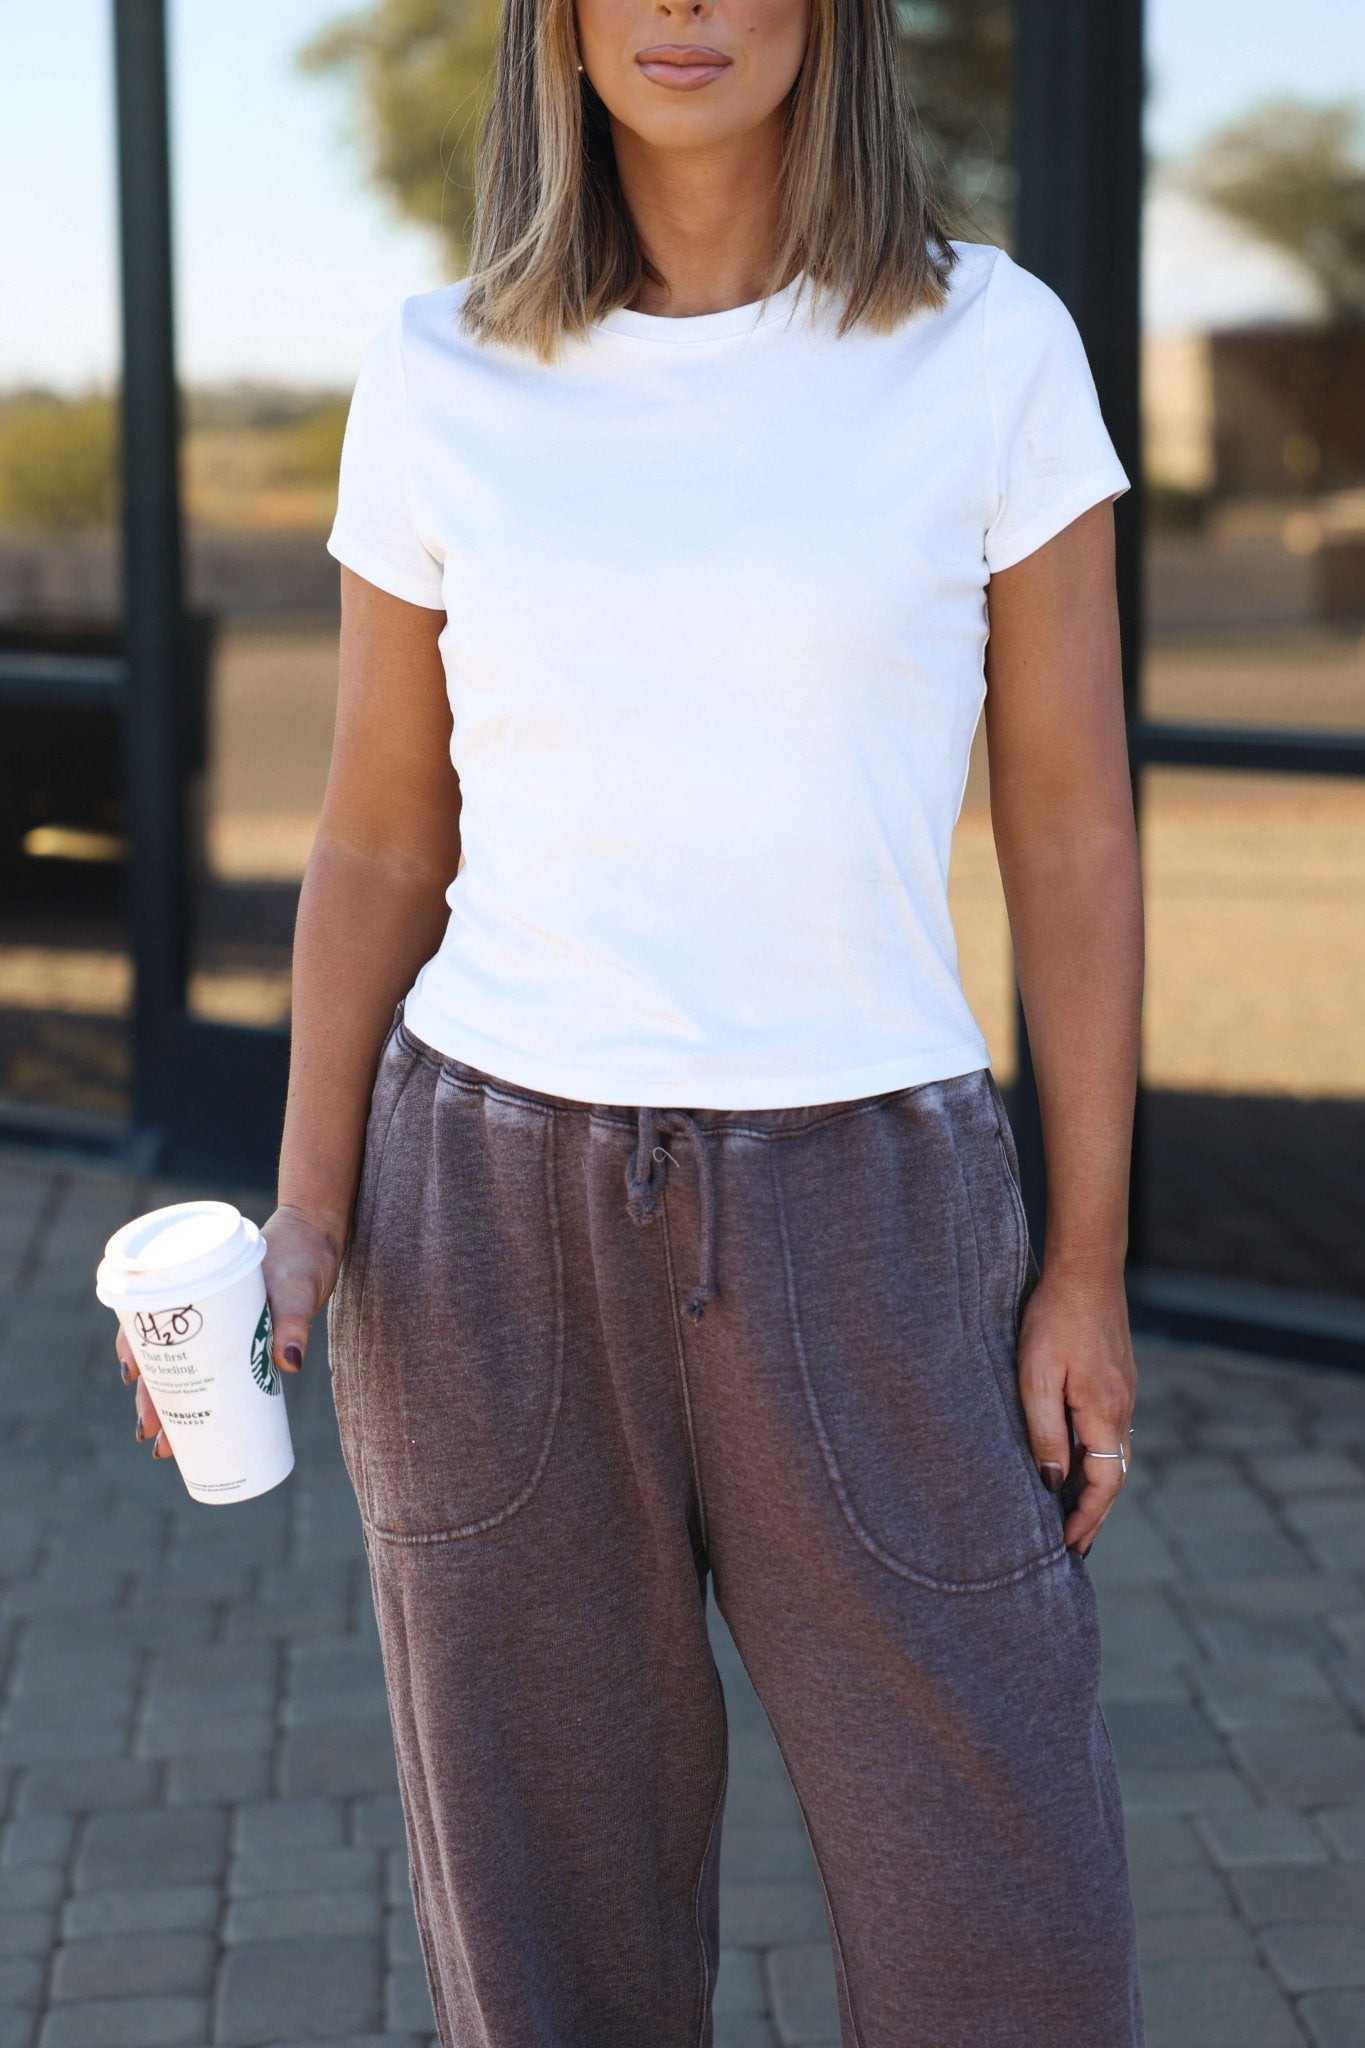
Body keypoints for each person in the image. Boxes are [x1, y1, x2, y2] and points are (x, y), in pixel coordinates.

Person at [119, 1, 1145, 2041]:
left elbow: (1072, 834)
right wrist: (304, 1213)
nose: (684, 6)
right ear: (561, 26)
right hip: (482, 1212)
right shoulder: (434, 372)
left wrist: (1088, 1268)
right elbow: (373, 842)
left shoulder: (988, 344)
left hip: (874, 1205)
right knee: (551, 1943)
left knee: (1002, 1920)